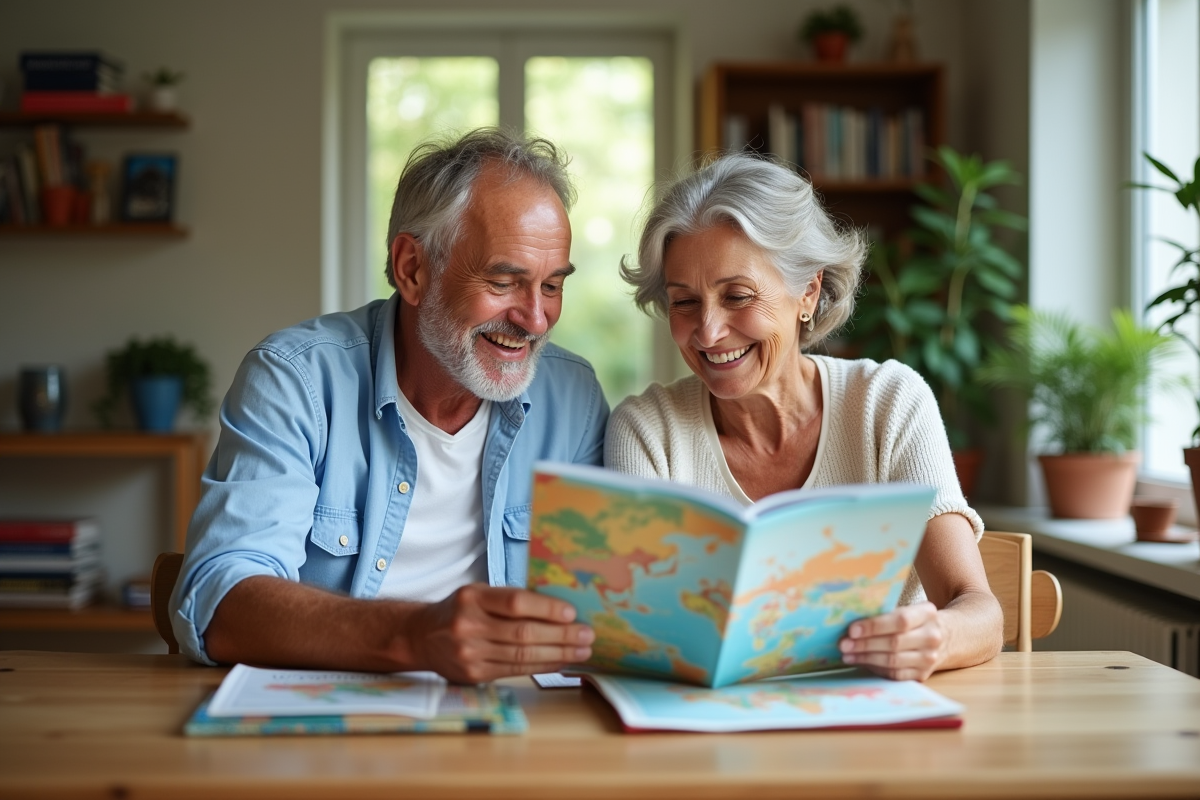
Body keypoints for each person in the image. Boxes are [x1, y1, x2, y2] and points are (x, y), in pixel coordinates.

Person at [170, 129, 607, 683]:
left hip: (512, 732)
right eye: (504, 281)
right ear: (412, 269)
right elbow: (219, 601)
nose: (536, 319)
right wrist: (416, 636)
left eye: (551, 286)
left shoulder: (572, 398)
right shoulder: (294, 380)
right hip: (329, 734)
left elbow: (603, 614)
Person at [606, 153, 1004, 682]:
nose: (708, 331)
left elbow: (976, 608)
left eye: (737, 296)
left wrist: (934, 638)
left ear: (808, 292)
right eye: (684, 303)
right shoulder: (646, 430)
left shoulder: (889, 402)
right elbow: (639, 634)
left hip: (871, 736)